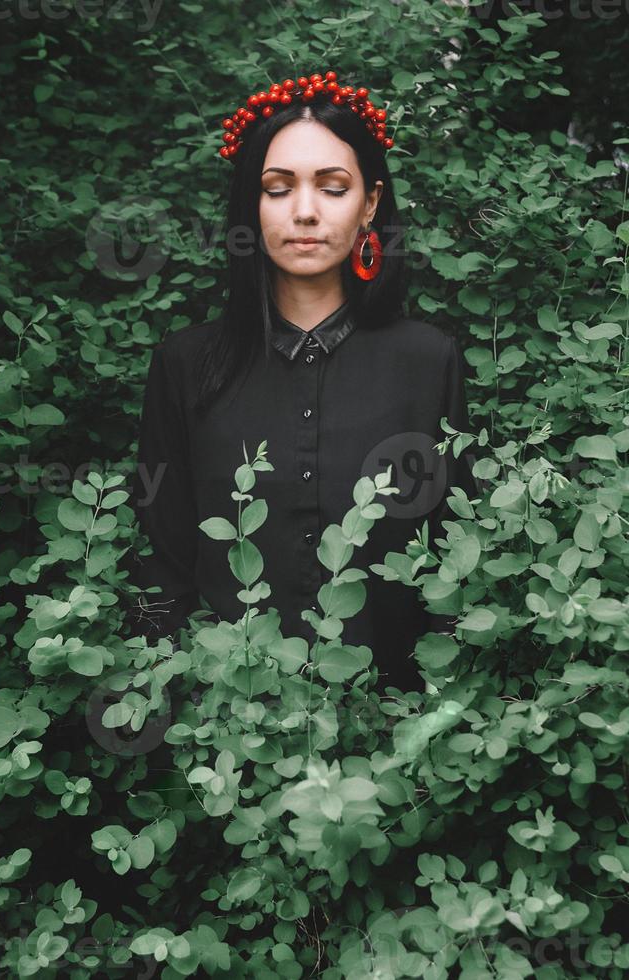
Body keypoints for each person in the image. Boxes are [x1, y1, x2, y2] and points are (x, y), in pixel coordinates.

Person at [125, 70, 477, 694]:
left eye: (333, 187)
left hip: (396, 733)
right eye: (278, 188)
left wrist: (437, 715)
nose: (306, 211)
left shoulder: (428, 361)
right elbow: (162, 560)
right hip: (224, 733)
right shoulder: (184, 365)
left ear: (369, 202)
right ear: (250, 206)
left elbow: (453, 555)